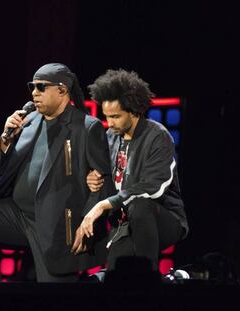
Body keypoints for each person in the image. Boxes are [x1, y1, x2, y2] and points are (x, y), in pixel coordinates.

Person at [0, 63, 113, 282]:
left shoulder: (86, 127)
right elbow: (1, 168)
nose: (34, 93)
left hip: (56, 223)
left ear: (62, 89)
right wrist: (6, 139)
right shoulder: (29, 121)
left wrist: (88, 221)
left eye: (40, 87)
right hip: (18, 215)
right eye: (32, 86)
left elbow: (103, 181)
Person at [73, 69, 189, 271]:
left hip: (163, 219)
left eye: (116, 116)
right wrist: (91, 178)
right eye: (107, 116)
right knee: (117, 273)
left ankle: (151, 280)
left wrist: (102, 206)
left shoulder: (157, 136)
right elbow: (102, 173)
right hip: (125, 224)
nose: (110, 123)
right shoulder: (109, 137)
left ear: (134, 110)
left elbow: (153, 187)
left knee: (140, 204)